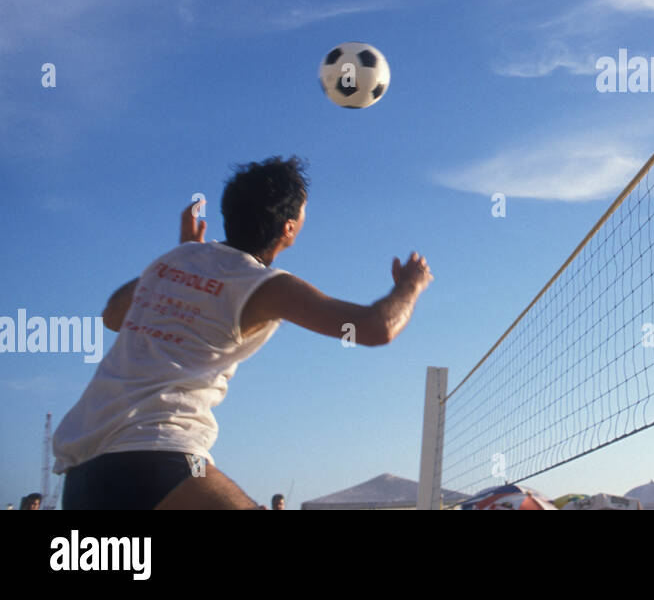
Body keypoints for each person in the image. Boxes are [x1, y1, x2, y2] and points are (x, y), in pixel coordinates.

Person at [52, 157, 435, 510]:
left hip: (84, 473)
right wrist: (410, 286)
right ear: (289, 229)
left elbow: (112, 316)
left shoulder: (172, 260)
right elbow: (375, 328)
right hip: (159, 455)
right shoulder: (263, 284)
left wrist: (183, 256)